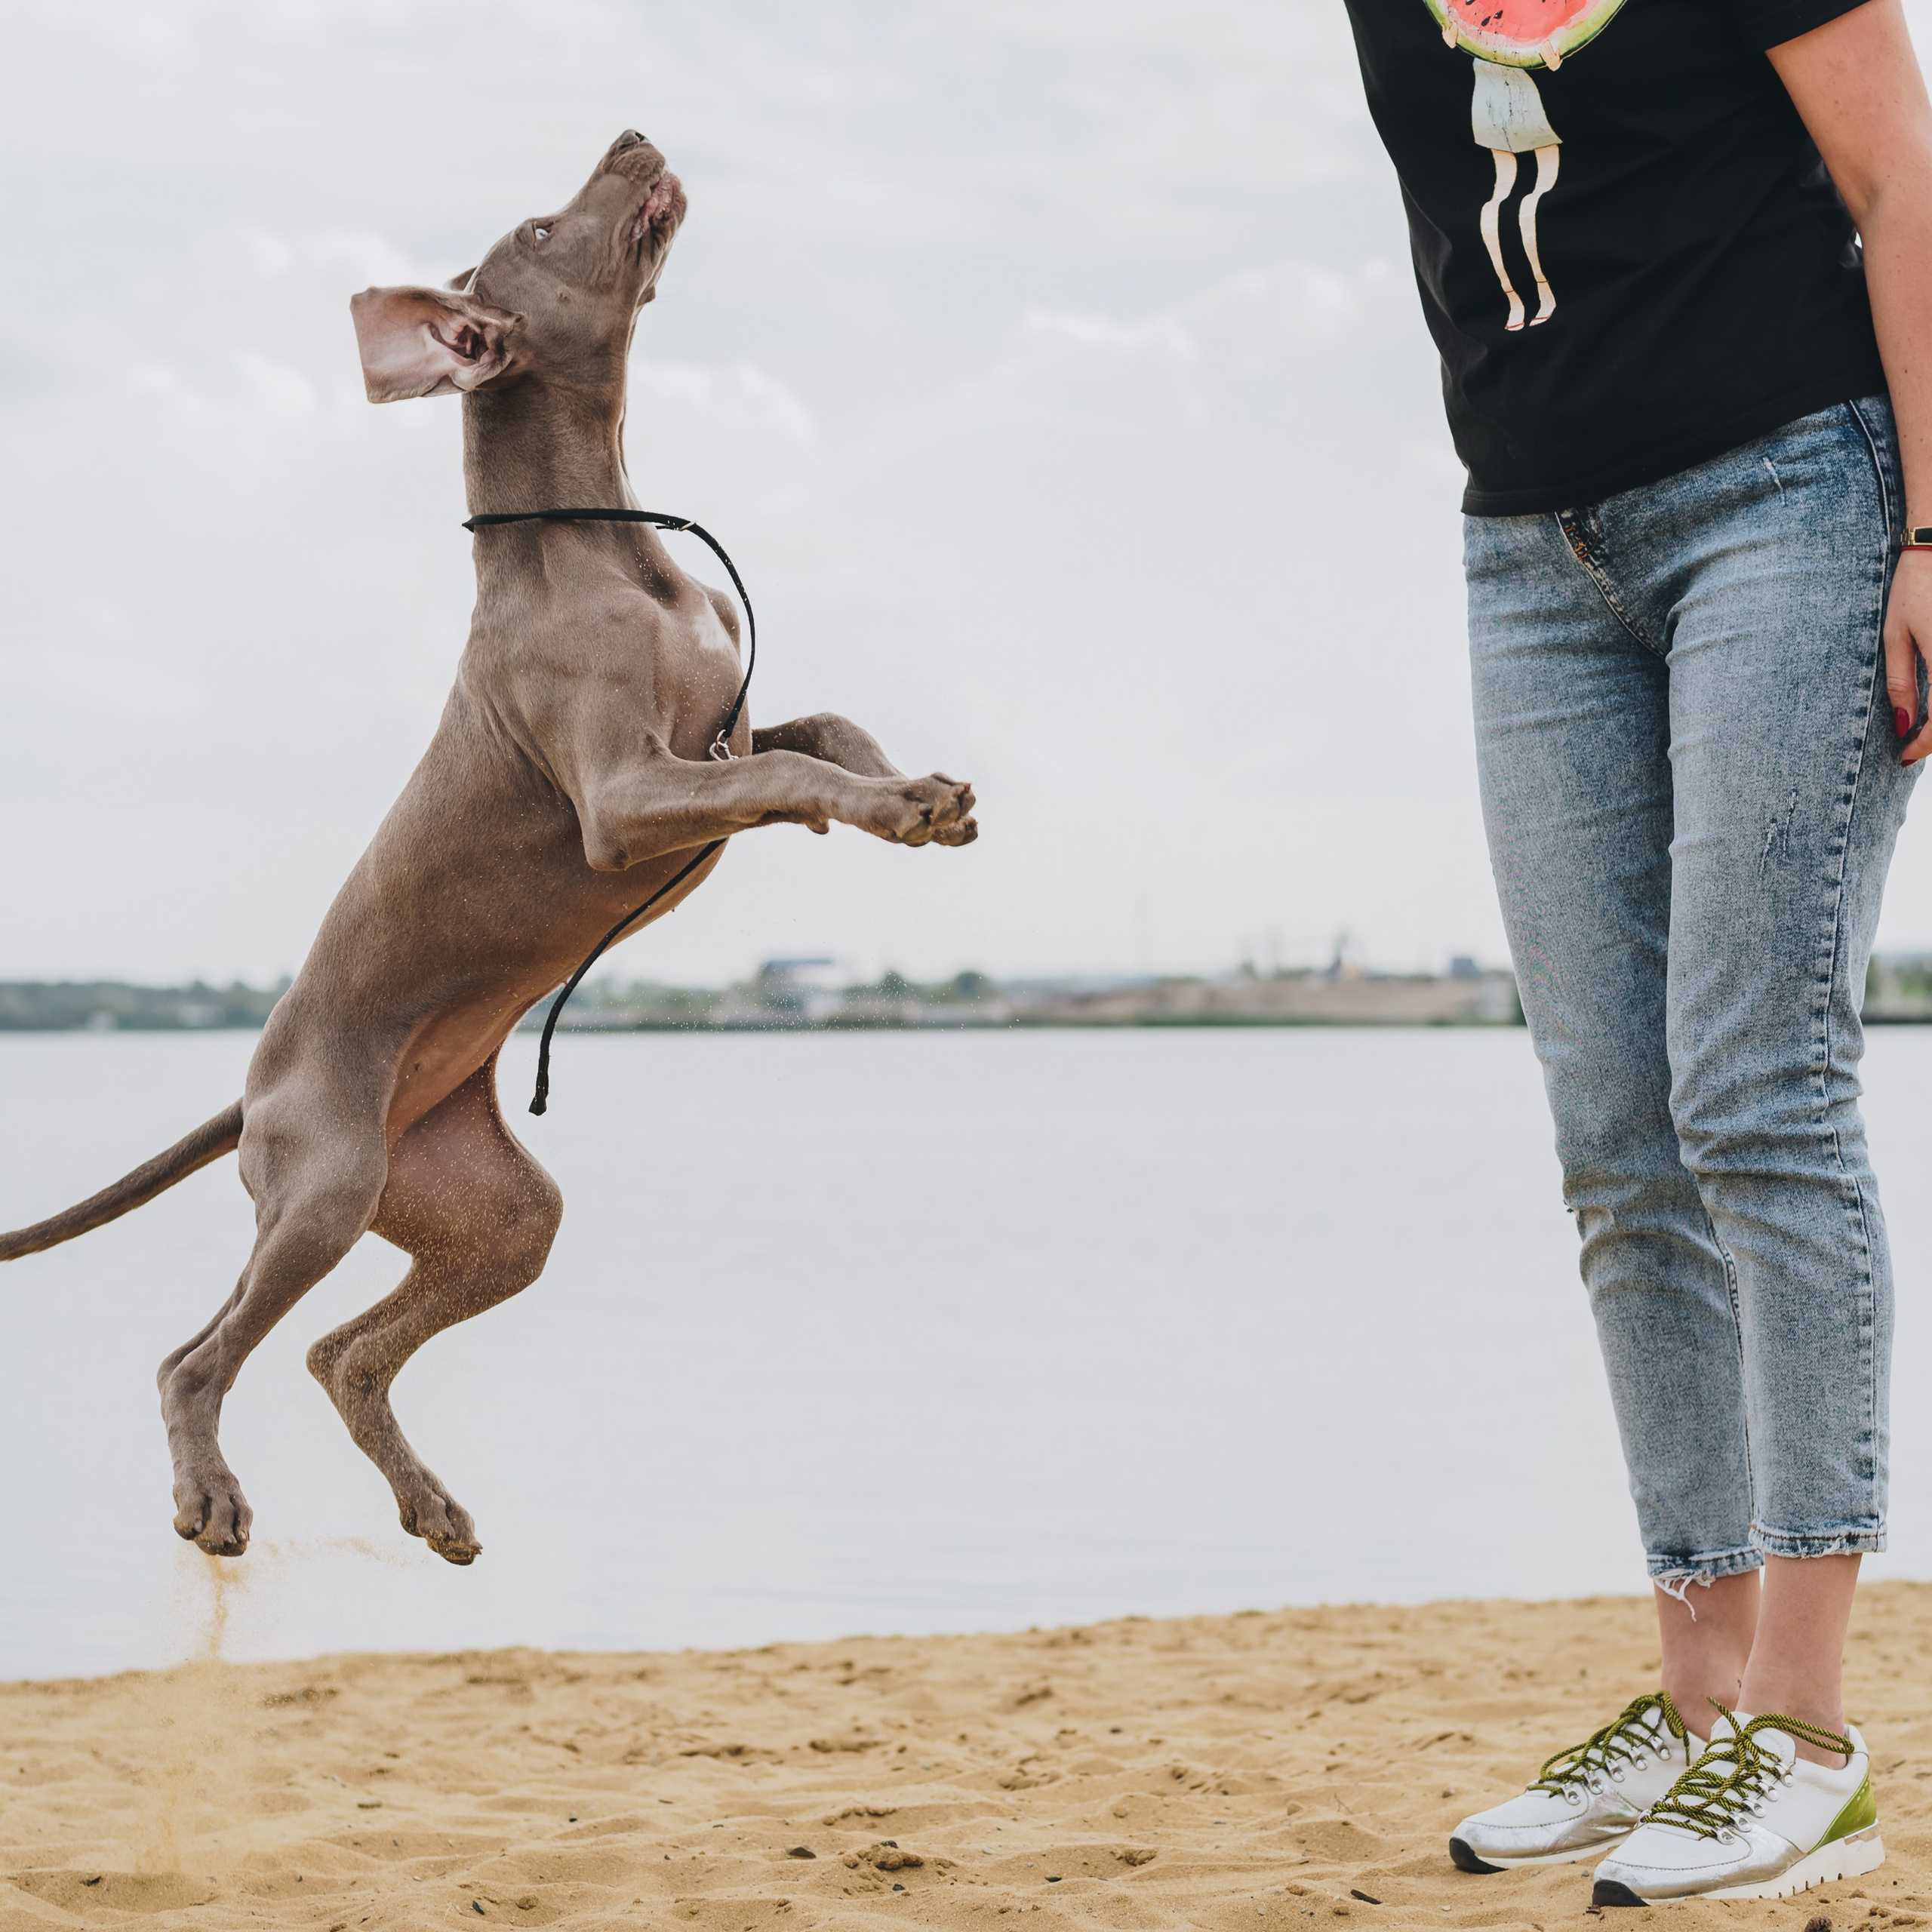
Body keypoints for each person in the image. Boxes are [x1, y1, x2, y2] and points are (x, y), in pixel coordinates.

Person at [1341, 0, 1932, 1908]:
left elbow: (1898, 176)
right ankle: (1694, 1711)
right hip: (1523, 547)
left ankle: (1809, 1733)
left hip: (1791, 489)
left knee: (1755, 1092)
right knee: (1615, 1132)